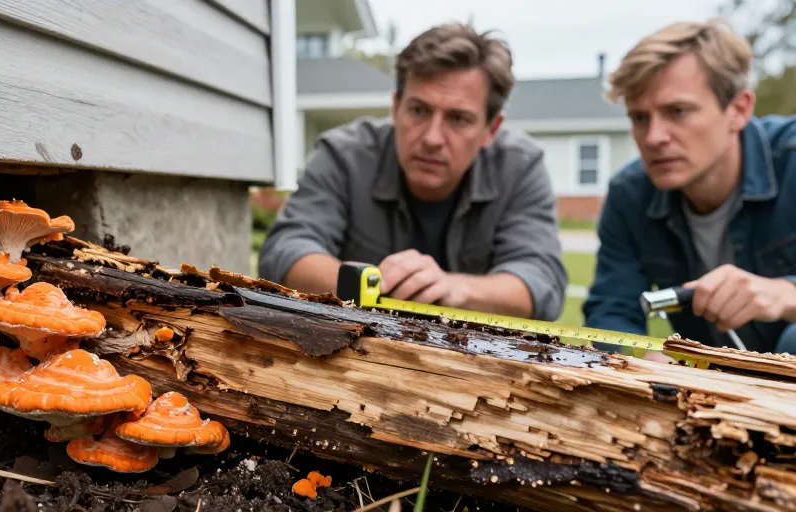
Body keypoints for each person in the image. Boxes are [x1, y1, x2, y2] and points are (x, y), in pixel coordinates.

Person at [258, 22, 568, 322]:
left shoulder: (520, 167)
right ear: (396, 108)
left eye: (458, 119)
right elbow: (285, 251)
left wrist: (455, 288)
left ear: (491, 129)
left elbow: (542, 280)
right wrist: (365, 283)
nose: (432, 138)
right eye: (419, 111)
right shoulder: (344, 156)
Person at [583, 18, 796, 355]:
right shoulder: (630, 194)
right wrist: (638, 359)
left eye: (678, 111)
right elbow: (611, 310)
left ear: (739, 109)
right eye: (640, 118)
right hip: (706, 388)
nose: (654, 138)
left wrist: (785, 295)